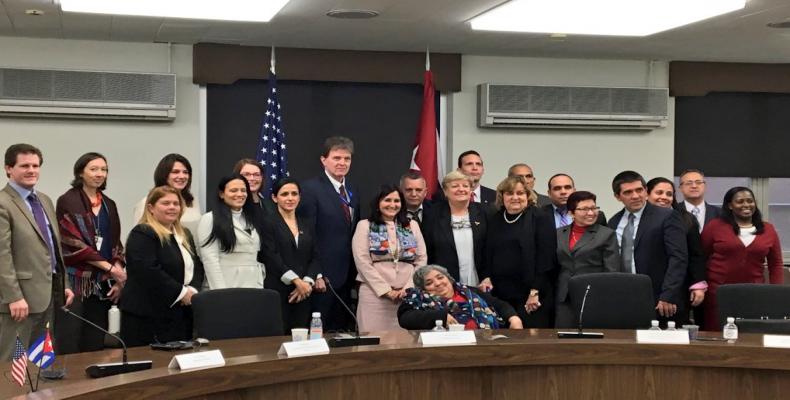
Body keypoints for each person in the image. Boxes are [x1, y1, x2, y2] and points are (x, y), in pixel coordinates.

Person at [0, 144, 73, 361]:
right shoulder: (3, 203)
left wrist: (64, 284)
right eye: (24, 166)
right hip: (18, 302)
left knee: (41, 362)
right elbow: (2, 255)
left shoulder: (45, 200)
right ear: (8, 169)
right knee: (13, 366)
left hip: (48, 296)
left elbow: (53, 248)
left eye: (35, 165)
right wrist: (14, 297)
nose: (31, 170)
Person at [55, 152, 126, 354]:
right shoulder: (68, 201)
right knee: (70, 340)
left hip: (102, 283)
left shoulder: (109, 204)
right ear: (80, 172)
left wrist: (118, 274)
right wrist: (111, 269)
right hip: (76, 282)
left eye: (103, 169)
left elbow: (116, 243)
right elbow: (72, 243)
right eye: (93, 169)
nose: (99, 174)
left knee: (95, 341)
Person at [121, 186, 204, 346]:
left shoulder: (184, 234)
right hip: (147, 316)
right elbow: (147, 271)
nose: (172, 207)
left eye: (176, 203)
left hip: (180, 313)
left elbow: (196, 267)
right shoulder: (143, 233)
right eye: (165, 203)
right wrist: (181, 293)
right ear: (151, 208)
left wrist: (192, 290)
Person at [608, 171, 688, 325]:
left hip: (659, 298)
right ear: (618, 197)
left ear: (645, 190)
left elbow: (678, 258)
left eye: (639, 190)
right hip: (623, 296)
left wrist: (668, 295)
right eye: (628, 192)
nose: (636, 196)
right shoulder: (614, 222)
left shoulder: (666, 216)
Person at [298, 136, 359, 331]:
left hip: (347, 275)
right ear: (324, 160)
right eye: (337, 158)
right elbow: (308, 234)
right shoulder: (310, 189)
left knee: (341, 331)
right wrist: (316, 273)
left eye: (347, 159)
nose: (342, 163)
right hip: (322, 277)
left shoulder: (351, 190)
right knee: (319, 330)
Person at [701, 186, 782, 331]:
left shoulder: (768, 229)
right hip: (718, 293)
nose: (746, 205)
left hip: (754, 293)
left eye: (750, 201)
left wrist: (776, 292)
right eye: (740, 201)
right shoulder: (715, 226)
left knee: (750, 336)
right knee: (716, 335)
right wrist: (700, 285)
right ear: (730, 205)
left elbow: (775, 264)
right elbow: (700, 257)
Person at [483, 176, 556, 327]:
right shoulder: (495, 219)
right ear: (502, 196)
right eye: (510, 193)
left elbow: (546, 257)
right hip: (501, 292)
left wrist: (535, 291)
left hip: (532, 293)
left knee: (530, 339)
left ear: (528, 196)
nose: (515, 197)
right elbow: (488, 252)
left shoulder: (540, 217)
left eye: (520, 193)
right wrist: (486, 277)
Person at [352, 185, 427, 332]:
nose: (392, 205)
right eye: (387, 200)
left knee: (404, 345)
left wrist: (409, 288)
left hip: (406, 297)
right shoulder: (365, 225)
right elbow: (362, 262)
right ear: (378, 203)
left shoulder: (412, 225)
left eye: (396, 201)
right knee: (373, 342)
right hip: (375, 296)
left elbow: (421, 260)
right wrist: (386, 291)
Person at [261, 178, 322, 331]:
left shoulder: (306, 223)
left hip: (305, 292)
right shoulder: (268, 222)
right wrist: (295, 281)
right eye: (284, 194)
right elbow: (270, 255)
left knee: (301, 338)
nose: (290, 198)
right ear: (275, 198)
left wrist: (307, 282)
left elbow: (315, 256)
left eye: (294, 194)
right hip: (278, 290)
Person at [646, 177, 707, 325]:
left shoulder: (686, 219)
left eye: (669, 194)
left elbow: (696, 255)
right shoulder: (638, 220)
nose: (664, 197)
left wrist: (697, 284)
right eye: (659, 192)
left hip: (677, 286)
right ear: (647, 194)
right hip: (648, 285)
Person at [555, 191, 622, 324]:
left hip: (593, 294)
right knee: (562, 336)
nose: (591, 213)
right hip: (564, 295)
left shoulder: (606, 234)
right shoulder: (559, 233)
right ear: (571, 213)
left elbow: (612, 270)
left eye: (593, 208)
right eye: (584, 209)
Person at [398, 265, 523, 330]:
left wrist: (514, 318)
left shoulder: (469, 291)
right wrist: (440, 317)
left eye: (440, 277)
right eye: (429, 283)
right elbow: (405, 318)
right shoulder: (417, 298)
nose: (437, 283)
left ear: (449, 279)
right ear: (423, 289)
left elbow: (500, 305)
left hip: (487, 344)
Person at [197, 175, 265, 290]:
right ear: (221, 194)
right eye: (233, 190)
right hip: (225, 287)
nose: (239, 194)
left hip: (254, 286)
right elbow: (210, 260)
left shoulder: (252, 219)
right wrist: (221, 293)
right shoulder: (210, 219)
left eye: (243, 190)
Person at [422, 171, 488, 288]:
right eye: (455, 186)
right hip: (444, 283)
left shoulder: (484, 213)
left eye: (465, 186)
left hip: (481, 282)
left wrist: (488, 277)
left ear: (471, 190)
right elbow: (428, 251)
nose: (461, 189)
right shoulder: (432, 215)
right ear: (445, 191)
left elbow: (491, 249)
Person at [133, 153, 202, 235]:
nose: (182, 176)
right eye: (175, 172)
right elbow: (139, 236)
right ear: (164, 175)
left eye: (185, 172)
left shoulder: (192, 200)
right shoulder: (147, 202)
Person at [541, 173, 607, 228]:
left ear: (574, 191)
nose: (563, 192)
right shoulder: (538, 215)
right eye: (557, 188)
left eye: (567, 187)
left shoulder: (596, 216)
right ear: (549, 193)